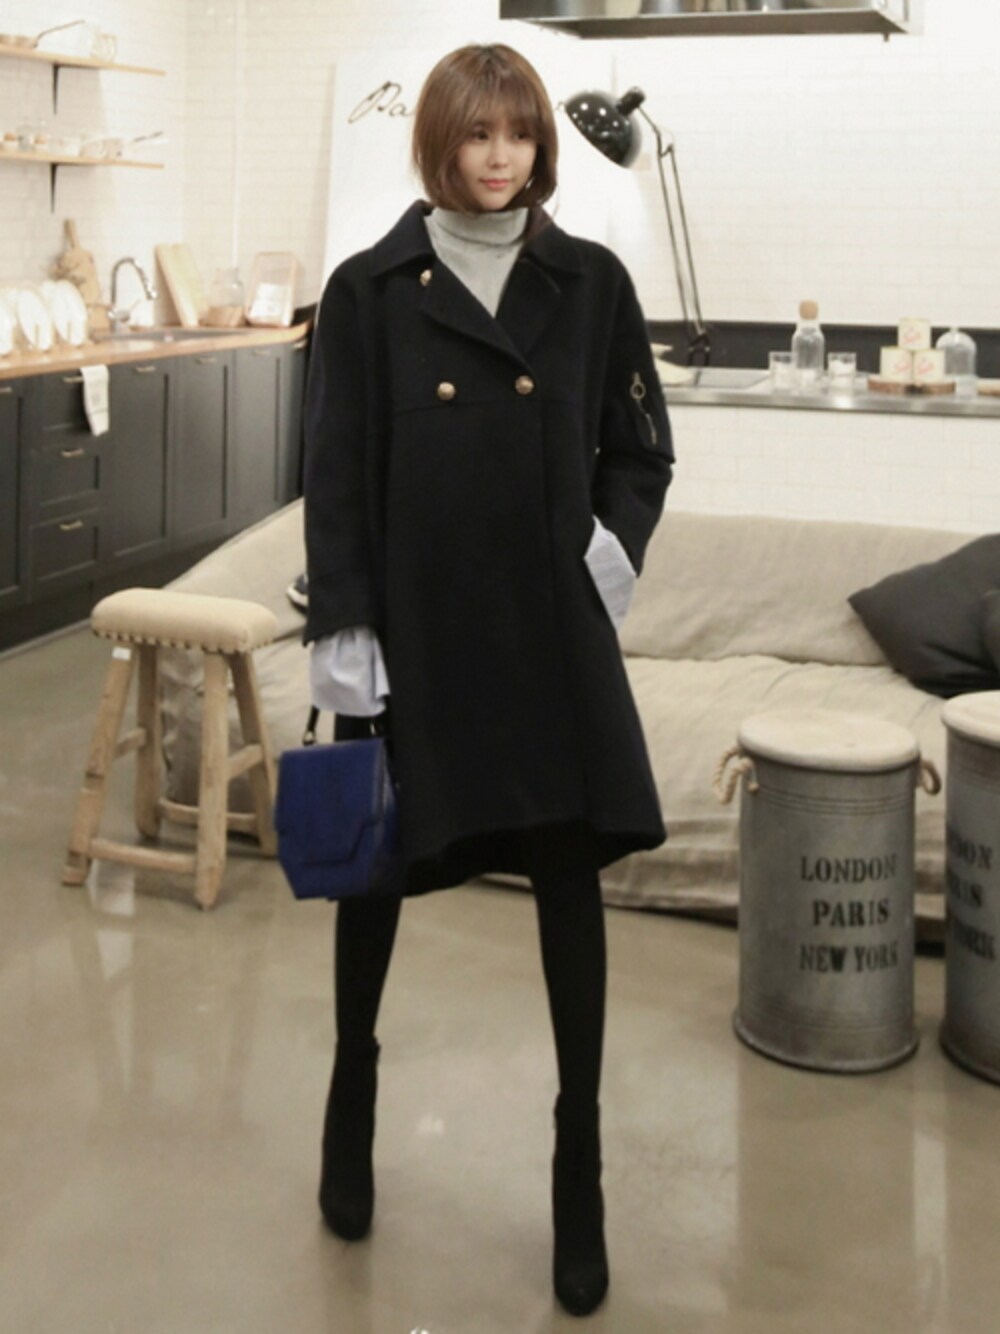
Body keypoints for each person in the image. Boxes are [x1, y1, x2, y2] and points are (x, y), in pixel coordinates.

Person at [302, 42, 673, 1318]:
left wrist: (610, 551)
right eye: (477, 133)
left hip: (549, 636)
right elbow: (335, 468)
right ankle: (350, 1097)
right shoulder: (368, 290)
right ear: (440, 143)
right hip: (418, 633)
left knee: (568, 883)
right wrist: (344, 618)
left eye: (518, 133)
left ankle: (580, 1168)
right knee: (377, 876)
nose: (500, 155)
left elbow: (640, 447)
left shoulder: (590, 281)